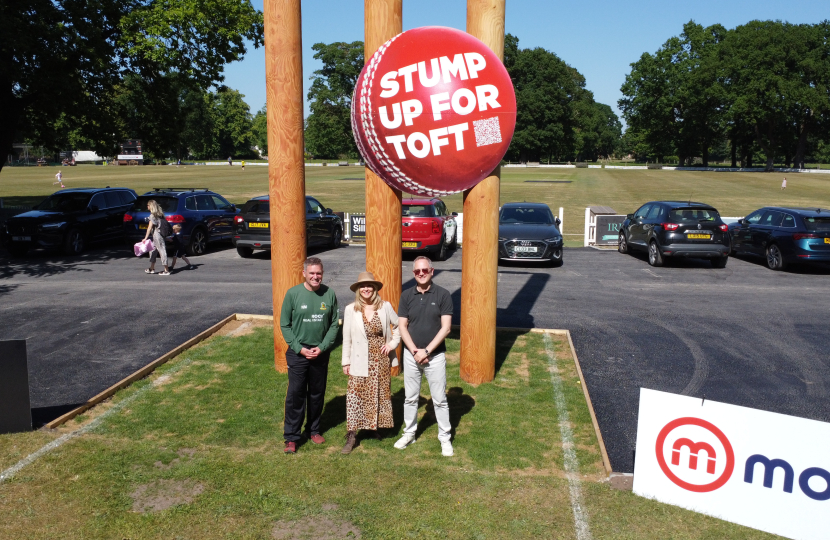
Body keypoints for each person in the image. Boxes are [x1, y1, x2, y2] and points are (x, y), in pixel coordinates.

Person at [395, 256, 454, 456]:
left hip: (435, 356)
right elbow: (402, 326)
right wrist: (414, 351)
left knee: (439, 399)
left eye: (424, 270)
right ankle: (409, 433)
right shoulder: (406, 296)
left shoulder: (443, 294)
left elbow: (446, 328)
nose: (421, 273)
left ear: (432, 271)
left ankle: (445, 438)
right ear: (413, 273)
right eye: (417, 271)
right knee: (410, 398)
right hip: (411, 356)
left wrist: (427, 351)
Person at [280, 257, 340, 453]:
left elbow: (333, 324)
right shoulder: (293, 294)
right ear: (304, 273)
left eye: (319, 273)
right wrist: (299, 348)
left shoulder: (329, 294)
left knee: (316, 394)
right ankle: (291, 437)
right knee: (295, 394)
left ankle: (313, 430)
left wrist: (322, 347)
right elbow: (285, 325)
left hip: (319, 353)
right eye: (312, 273)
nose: (316, 276)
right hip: (299, 353)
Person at [340, 272, 400, 454]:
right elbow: (347, 338)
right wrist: (346, 361)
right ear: (358, 289)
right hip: (359, 359)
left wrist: (391, 344)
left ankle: (372, 427)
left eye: (369, 286)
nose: (366, 289)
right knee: (355, 397)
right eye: (363, 286)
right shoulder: (351, 309)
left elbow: (399, 326)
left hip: (380, 359)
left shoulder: (385, 306)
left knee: (377, 394)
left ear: (374, 288)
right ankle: (351, 434)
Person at [143, 200, 171, 276]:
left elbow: (149, 228)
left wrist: (145, 238)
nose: (147, 207)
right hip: (158, 236)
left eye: (148, 205)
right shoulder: (160, 214)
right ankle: (151, 268)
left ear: (151, 206)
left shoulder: (152, 216)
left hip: (157, 235)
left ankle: (166, 270)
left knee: (162, 251)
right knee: (152, 251)